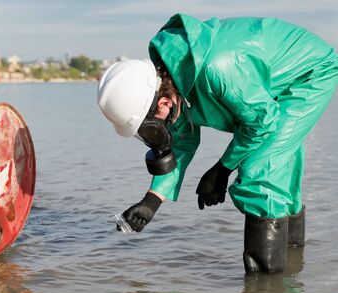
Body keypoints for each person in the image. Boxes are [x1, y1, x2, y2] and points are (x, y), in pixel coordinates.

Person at [97, 14, 338, 273]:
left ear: (163, 104)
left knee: (260, 170)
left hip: (309, 73)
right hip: (267, 85)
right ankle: (289, 273)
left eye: (149, 129)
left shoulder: (217, 70)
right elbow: (182, 142)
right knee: (278, 167)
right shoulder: (172, 84)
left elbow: (260, 123)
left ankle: (265, 290)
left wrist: (222, 169)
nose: (154, 136)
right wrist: (151, 202)